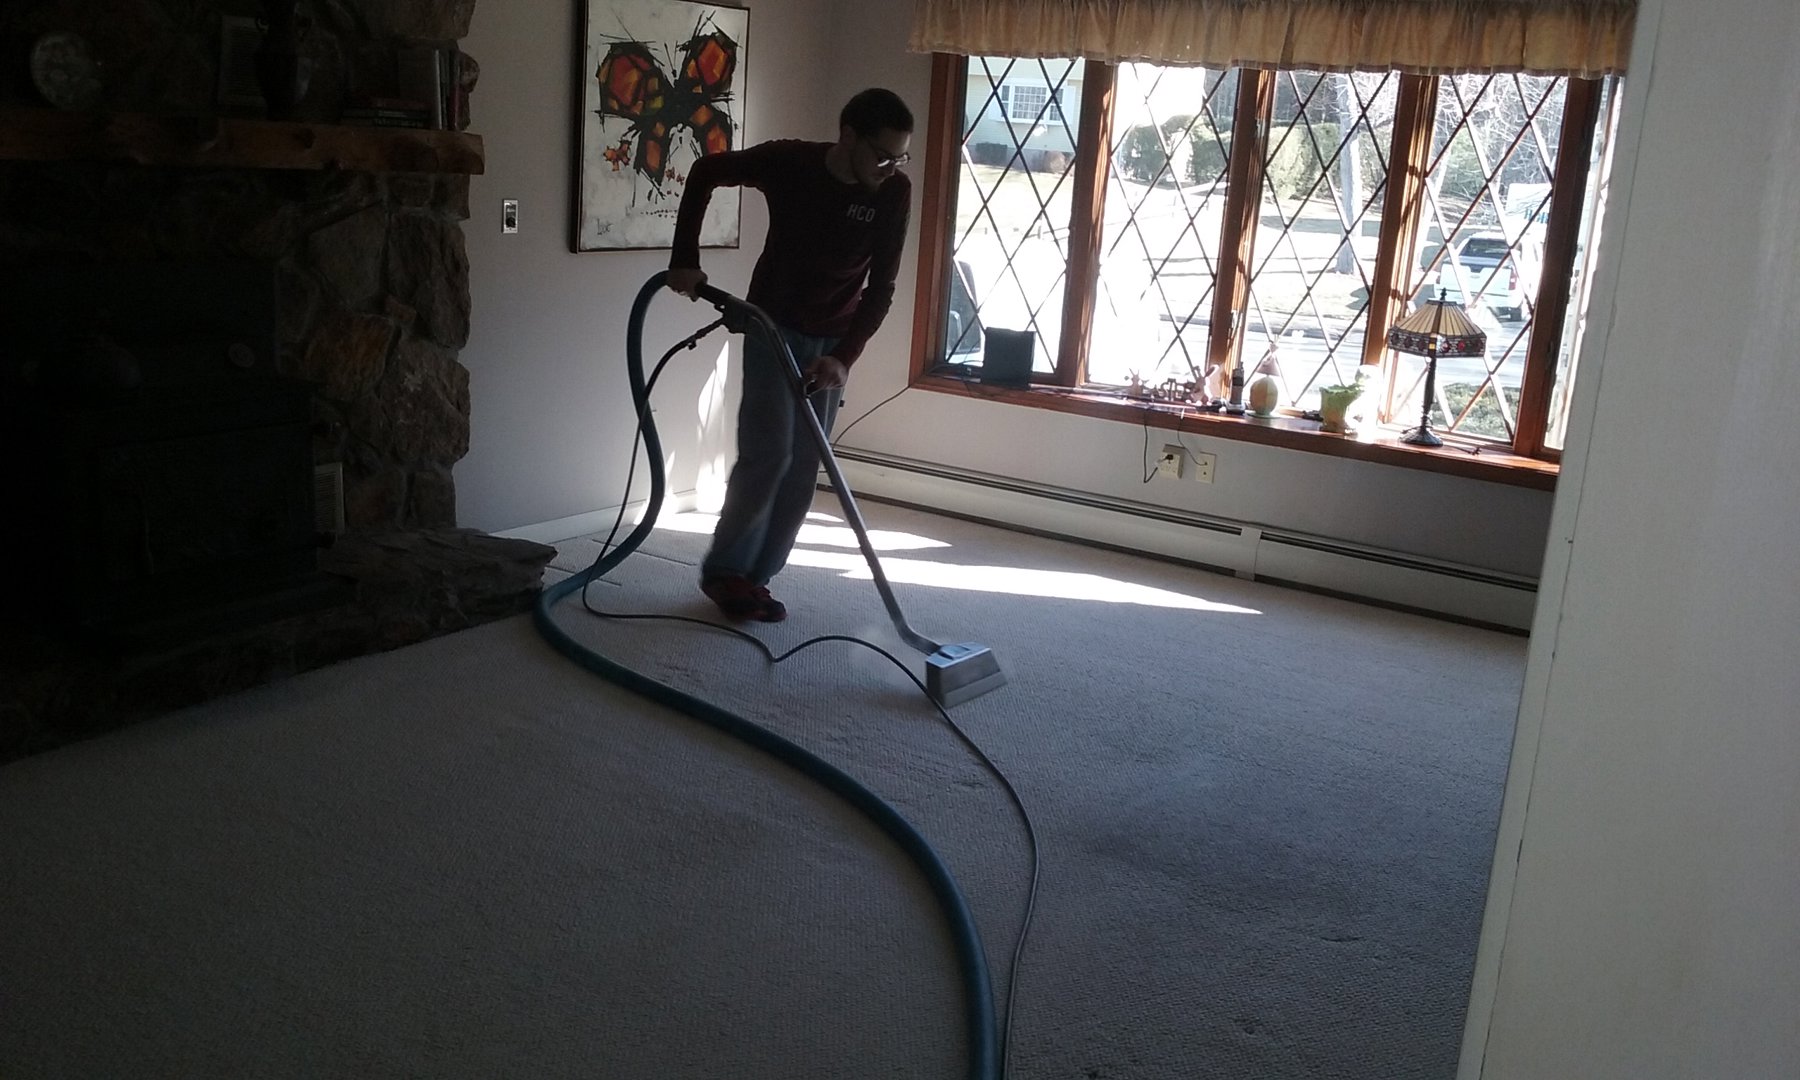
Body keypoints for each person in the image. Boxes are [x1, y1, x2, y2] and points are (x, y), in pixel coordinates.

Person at [666, 88, 913, 623]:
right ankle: (726, 572)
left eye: (900, 157)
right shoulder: (790, 163)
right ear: (848, 135)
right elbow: (706, 171)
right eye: (882, 155)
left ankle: (756, 578)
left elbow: (881, 289)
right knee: (770, 453)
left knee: (804, 465)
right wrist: (685, 256)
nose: (891, 168)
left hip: (832, 340)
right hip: (772, 325)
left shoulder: (894, 192)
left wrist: (845, 356)